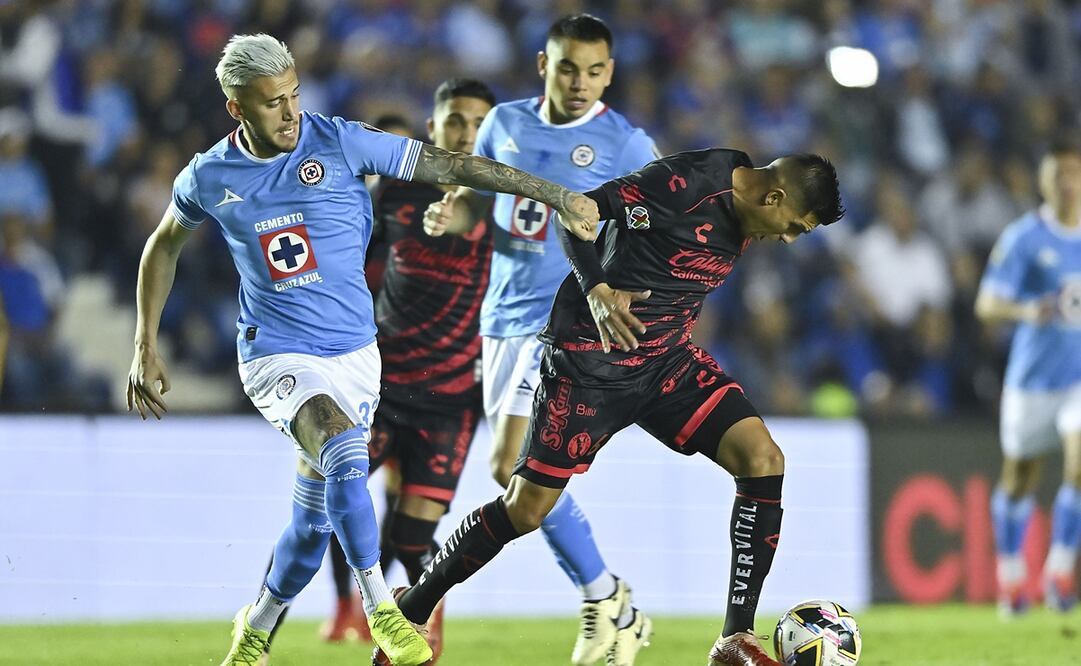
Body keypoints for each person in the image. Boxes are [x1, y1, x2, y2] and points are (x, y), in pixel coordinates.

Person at [124, 33, 599, 666]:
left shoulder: (340, 141)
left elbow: (450, 166)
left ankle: (256, 629)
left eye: (294, 95)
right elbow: (163, 244)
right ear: (237, 108)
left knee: (314, 521)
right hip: (276, 355)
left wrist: (556, 193)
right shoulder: (210, 175)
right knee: (344, 448)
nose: (291, 112)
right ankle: (383, 608)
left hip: (354, 357)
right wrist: (143, 343)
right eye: (272, 103)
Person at [392, 148, 844, 666]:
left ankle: (734, 639)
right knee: (525, 510)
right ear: (775, 197)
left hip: (665, 363)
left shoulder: (740, 198)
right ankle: (410, 612)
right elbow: (576, 211)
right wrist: (598, 289)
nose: (787, 239)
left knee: (763, 458)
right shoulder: (684, 185)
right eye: (795, 227)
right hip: (591, 365)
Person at [424, 14, 659, 664]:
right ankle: (610, 597)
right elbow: (482, 200)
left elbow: (658, 224)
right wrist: (454, 210)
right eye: (566, 68)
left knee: (509, 466)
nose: (578, 83)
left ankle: (606, 599)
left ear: (608, 73)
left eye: (592, 71)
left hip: (561, 324)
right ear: (542, 65)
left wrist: (618, 289)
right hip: (499, 318)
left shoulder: (626, 144)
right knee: (512, 473)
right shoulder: (503, 124)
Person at [263, 78, 497, 665]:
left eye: (477, 123)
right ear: (433, 128)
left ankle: (419, 618)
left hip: (452, 398)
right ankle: (262, 635)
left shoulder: (501, 203)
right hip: (381, 387)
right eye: (455, 121)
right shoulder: (393, 195)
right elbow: (351, 266)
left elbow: (492, 233)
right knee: (319, 515)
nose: (465, 132)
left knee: (414, 538)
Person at [977, 137, 1081, 617]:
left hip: (1077, 381)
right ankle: (1012, 574)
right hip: (1031, 382)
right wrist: (1028, 309)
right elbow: (986, 304)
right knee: (1019, 478)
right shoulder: (1024, 238)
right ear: (1042, 181)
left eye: (1074, 173)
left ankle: (1060, 570)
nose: (1067, 183)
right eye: (1058, 174)